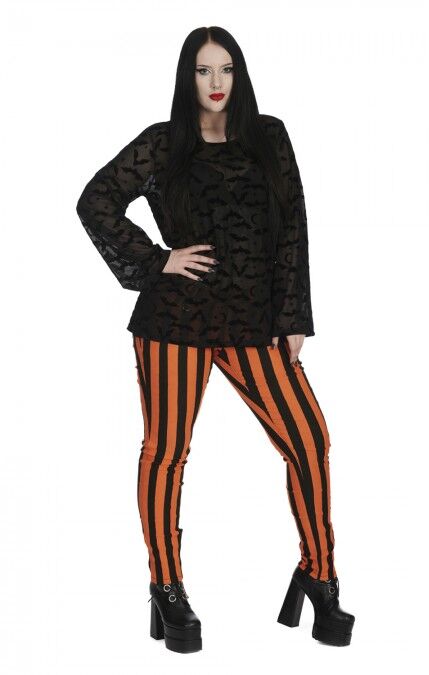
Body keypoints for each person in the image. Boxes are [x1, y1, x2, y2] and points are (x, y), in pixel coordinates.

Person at [75, 25, 355, 653]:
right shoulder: (163, 143)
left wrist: (293, 317)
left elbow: (294, 227)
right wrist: (156, 262)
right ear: (188, 78)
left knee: (309, 439)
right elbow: (96, 202)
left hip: (254, 321)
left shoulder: (269, 137)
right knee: (167, 452)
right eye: (203, 71)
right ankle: (166, 586)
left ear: (240, 73)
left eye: (225, 68)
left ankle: (319, 574)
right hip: (176, 321)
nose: (216, 82)